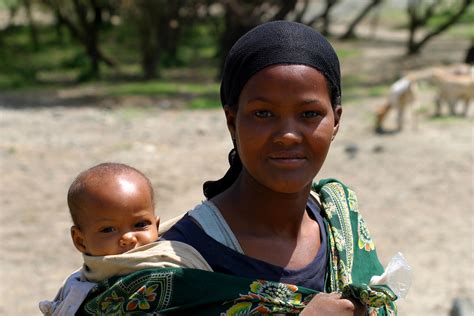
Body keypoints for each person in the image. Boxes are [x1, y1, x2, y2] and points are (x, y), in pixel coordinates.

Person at [160, 21, 398, 315]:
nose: (287, 134)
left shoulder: (341, 226)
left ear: (336, 121)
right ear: (232, 121)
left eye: (309, 114)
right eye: (263, 113)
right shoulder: (182, 261)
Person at [39, 162, 211, 315]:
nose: (128, 238)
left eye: (140, 224)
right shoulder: (75, 286)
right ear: (80, 241)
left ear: (156, 226)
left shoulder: (174, 260)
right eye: (108, 229)